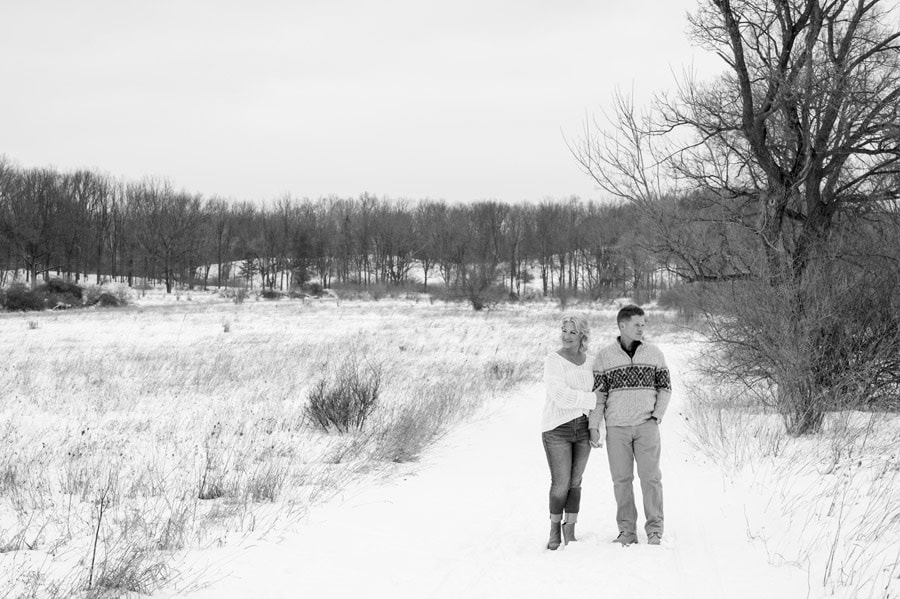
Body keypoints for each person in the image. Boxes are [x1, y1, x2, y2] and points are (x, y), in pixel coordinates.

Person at [589, 304, 671, 546]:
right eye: (637, 324)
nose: (641, 329)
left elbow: (665, 388)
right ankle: (627, 531)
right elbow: (599, 395)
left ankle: (654, 530)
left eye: (643, 324)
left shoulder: (654, 354)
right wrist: (594, 425)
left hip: (646, 425)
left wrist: (656, 416)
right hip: (617, 428)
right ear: (622, 325)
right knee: (621, 480)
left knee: (651, 479)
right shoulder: (604, 356)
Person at [541, 315, 598, 550]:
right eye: (564, 331)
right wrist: (591, 399)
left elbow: (601, 398)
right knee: (561, 483)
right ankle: (554, 528)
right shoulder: (553, 360)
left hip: (584, 428)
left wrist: (597, 428)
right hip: (557, 429)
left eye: (572, 332)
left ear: (582, 335)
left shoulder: (592, 362)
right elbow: (560, 396)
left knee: (576, 482)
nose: (566, 336)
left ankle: (570, 529)